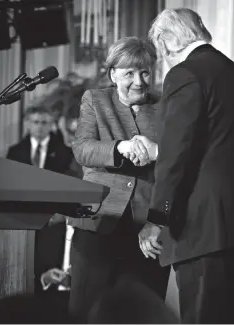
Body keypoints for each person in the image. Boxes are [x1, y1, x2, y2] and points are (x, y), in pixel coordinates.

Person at [136, 8, 234, 324]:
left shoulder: (185, 74)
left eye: (162, 50)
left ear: (170, 40)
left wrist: (156, 217)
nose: (164, 59)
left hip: (205, 228)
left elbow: (176, 156)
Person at [68, 36, 170, 323]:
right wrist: (120, 148)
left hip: (147, 229)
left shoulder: (166, 107)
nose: (139, 81)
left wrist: (155, 154)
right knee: (86, 311)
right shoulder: (95, 100)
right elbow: (82, 149)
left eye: (145, 72)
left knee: (142, 313)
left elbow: (177, 166)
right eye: (129, 73)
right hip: (98, 223)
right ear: (113, 74)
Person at [6, 105, 74, 294]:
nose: (40, 127)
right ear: (28, 123)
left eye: (44, 123)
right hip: (24, 220)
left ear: (51, 124)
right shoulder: (15, 152)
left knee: (50, 264)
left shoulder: (65, 153)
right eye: (35, 122)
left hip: (55, 220)